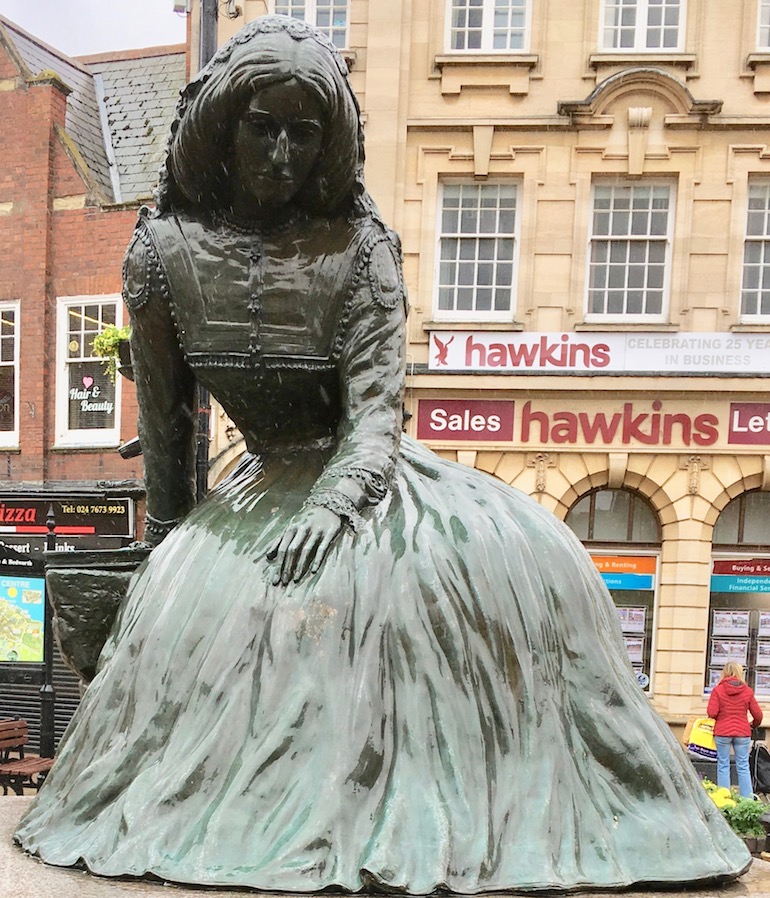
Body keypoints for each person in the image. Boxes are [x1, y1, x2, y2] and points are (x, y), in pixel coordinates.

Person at [15, 15, 751, 892]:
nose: (282, 154)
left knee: (499, 577)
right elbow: (170, 425)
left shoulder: (361, 250)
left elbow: (374, 416)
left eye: (304, 133)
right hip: (251, 495)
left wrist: (333, 504)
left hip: (359, 483)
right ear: (223, 127)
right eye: (263, 128)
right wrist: (165, 553)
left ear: (330, 144)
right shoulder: (161, 255)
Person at [707, 661, 763, 798]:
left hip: (722, 732)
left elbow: (712, 712)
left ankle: (724, 799)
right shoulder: (747, 691)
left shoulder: (718, 690)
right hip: (742, 733)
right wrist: (753, 725)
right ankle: (747, 800)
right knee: (743, 766)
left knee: (723, 765)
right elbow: (758, 715)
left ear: (724, 673)